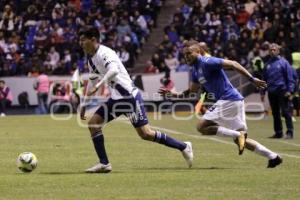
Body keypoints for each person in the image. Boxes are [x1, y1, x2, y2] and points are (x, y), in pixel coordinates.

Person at [79, 27, 193, 173]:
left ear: (93, 39)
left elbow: (113, 70)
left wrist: (100, 85)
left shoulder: (105, 53)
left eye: (83, 40)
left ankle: (184, 146)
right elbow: (92, 81)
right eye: (80, 40)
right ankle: (104, 163)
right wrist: (84, 103)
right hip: (116, 99)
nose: (80, 43)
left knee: (146, 134)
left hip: (129, 97)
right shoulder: (91, 59)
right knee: (93, 124)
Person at [159, 43, 282, 168]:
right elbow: (191, 92)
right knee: (241, 140)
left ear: (198, 52)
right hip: (234, 101)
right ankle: (273, 157)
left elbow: (233, 64)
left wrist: (252, 79)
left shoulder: (208, 61)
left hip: (228, 99)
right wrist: (173, 94)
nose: (186, 57)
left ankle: (238, 135)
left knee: (201, 126)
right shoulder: (195, 71)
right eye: (185, 55)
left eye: (189, 53)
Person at [261, 43, 295, 139]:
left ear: (278, 51)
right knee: (275, 113)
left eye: (274, 49)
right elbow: (264, 80)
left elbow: (290, 77)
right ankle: (278, 132)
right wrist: (262, 92)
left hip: (282, 90)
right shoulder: (267, 64)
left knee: (285, 112)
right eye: (271, 50)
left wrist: (290, 90)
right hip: (271, 91)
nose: (272, 51)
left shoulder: (284, 63)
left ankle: (289, 132)